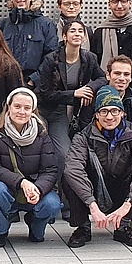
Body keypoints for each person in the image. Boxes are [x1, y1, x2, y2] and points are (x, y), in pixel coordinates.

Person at [64, 86, 132, 249]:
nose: (109, 116)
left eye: (114, 111)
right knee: (69, 176)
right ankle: (83, 227)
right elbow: (73, 168)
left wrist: (129, 203)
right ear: (96, 114)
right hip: (95, 188)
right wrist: (91, 204)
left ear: (122, 113)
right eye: (104, 111)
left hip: (121, 188)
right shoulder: (83, 136)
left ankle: (123, 226)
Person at [0, 88, 61, 247]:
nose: (22, 112)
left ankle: (35, 224)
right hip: (7, 187)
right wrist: (21, 182)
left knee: (53, 203)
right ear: (8, 107)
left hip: (34, 188)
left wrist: (38, 189)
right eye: (17, 106)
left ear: (33, 110)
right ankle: (1, 231)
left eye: (27, 108)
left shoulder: (41, 132)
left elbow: (50, 169)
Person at [33, 19, 104, 160]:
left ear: (84, 37)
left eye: (80, 31)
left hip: (59, 111)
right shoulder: (51, 60)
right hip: (41, 109)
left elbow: (102, 78)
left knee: (64, 153)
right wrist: (75, 94)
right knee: (39, 150)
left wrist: (88, 88)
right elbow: (45, 94)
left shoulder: (90, 58)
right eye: (72, 31)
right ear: (64, 36)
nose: (77, 34)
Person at [0, 0, 59, 82]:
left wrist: (34, 81)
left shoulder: (46, 24)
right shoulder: (3, 24)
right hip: (6, 82)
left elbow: (51, 57)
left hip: (34, 86)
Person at [82, 55, 132, 130]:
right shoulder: (93, 97)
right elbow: (85, 128)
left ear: (131, 78)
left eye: (126, 74)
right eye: (117, 73)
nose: (122, 78)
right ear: (108, 75)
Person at [91, 0, 132, 66]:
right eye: (115, 2)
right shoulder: (100, 32)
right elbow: (95, 62)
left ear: (130, 3)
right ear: (109, 5)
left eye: (124, 1)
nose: (119, 6)